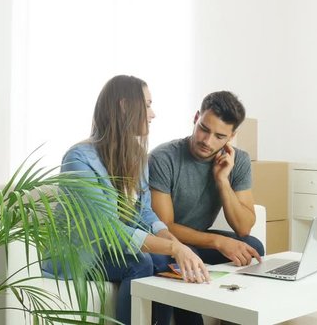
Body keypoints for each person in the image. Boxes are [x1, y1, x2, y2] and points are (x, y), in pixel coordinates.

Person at [43, 75, 210, 325]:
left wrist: (177, 245)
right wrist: (175, 247)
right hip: (82, 254)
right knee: (141, 262)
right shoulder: (78, 159)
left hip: (112, 249)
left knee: (166, 260)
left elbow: (144, 213)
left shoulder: (137, 157)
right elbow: (106, 228)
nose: (153, 113)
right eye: (148, 104)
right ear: (124, 106)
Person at [148, 90, 265, 324]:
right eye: (204, 128)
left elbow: (244, 227)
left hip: (197, 241)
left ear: (232, 136)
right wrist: (218, 241)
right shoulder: (163, 157)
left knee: (252, 248)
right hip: (166, 242)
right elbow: (165, 226)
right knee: (173, 263)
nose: (207, 141)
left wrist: (222, 180)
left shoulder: (238, 160)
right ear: (196, 117)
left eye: (220, 136)